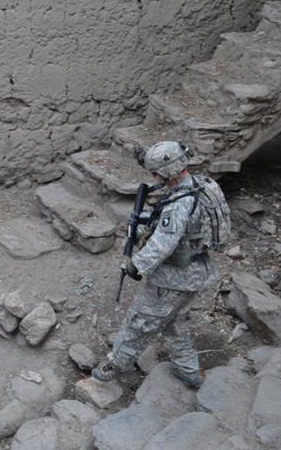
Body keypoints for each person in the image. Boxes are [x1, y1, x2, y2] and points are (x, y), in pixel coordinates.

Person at [92, 141, 228, 388]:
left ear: (168, 172)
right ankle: (189, 372)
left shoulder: (179, 204)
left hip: (173, 279)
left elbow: (164, 244)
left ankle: (115, 364)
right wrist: (146, 157)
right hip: (197, 272)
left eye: (155, 173)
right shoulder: (200, 185)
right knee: (175, 322)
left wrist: (135, 265)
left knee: (140, 321)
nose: (153, 177)